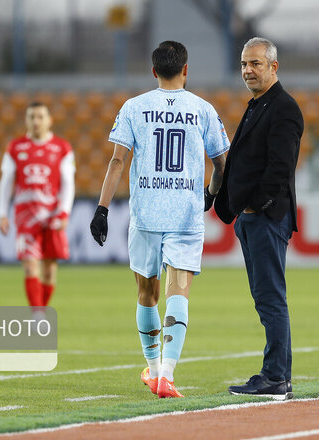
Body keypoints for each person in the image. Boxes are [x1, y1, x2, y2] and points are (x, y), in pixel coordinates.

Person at [90, 40, 229, 398]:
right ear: (186, 70)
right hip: (184, 213)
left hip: (146, 212)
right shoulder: (202, 109)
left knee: (146, 292)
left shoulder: (134, 107)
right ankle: (168, 373)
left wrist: (102, 209)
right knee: (178, 291)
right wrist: (210, 194)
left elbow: (118, 161)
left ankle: (152, 370)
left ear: (153, 71)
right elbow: (222, 162)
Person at [214, 37, 304, 401]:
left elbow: (280, 168)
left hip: (266, 216)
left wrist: (254, 205)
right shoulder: (258, 105)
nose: (248, 70)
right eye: (244, 64)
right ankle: (279, 376)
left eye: (256, 64)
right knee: (266, 297)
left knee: (270, 298)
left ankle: (275, 378)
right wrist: (228, 205)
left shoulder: (283, 108)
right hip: (252, 217)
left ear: (273, 67)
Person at [0, 101, 75, 308]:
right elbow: (6, 182)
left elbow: (68, 183)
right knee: (31, 266)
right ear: (26, 120)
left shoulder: (62, 148)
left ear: (50, 121)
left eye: (40, 116)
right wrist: (2, 213)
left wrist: (64, 213)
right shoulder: (15, 148)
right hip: (25, 217)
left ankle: (41, 310)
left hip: (52, 216)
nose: (36, 121)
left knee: (49, 270)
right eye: (32, 117)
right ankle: (38, 316)